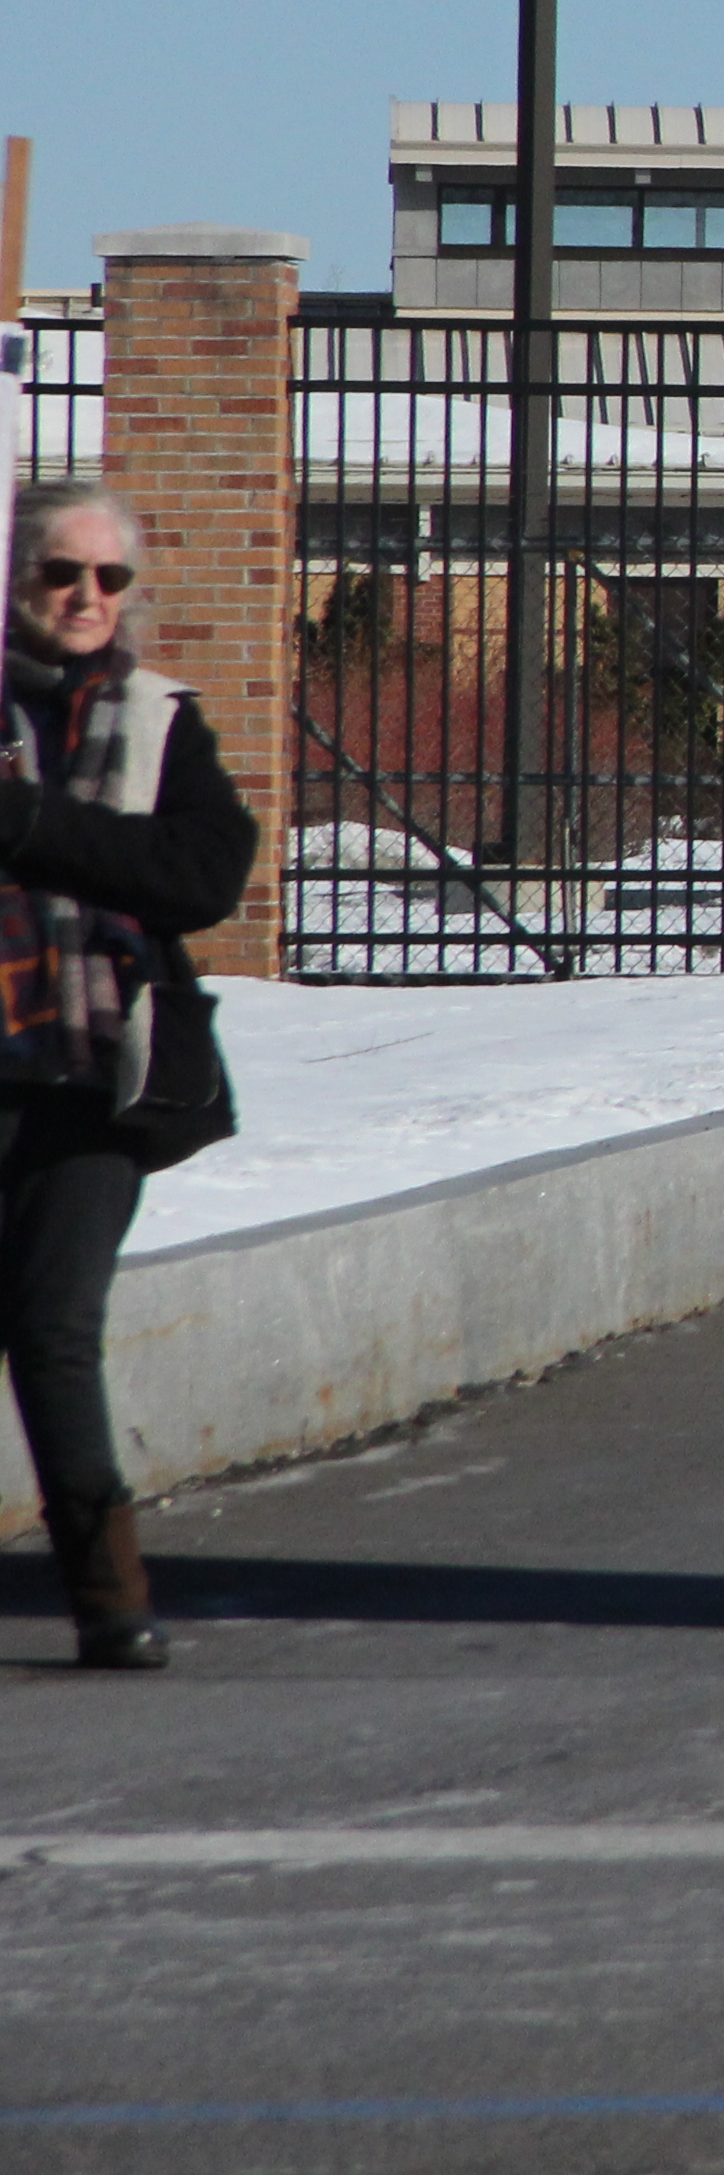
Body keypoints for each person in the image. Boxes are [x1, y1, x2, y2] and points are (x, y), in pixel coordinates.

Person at [3, 488, 257, 1671]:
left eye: (110, 579)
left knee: (55, 1328)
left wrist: (28, 826)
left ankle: (108, 1598)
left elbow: (200, 873)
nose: (89, 599)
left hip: (88, 1078)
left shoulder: (163, 724)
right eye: (63, 573)